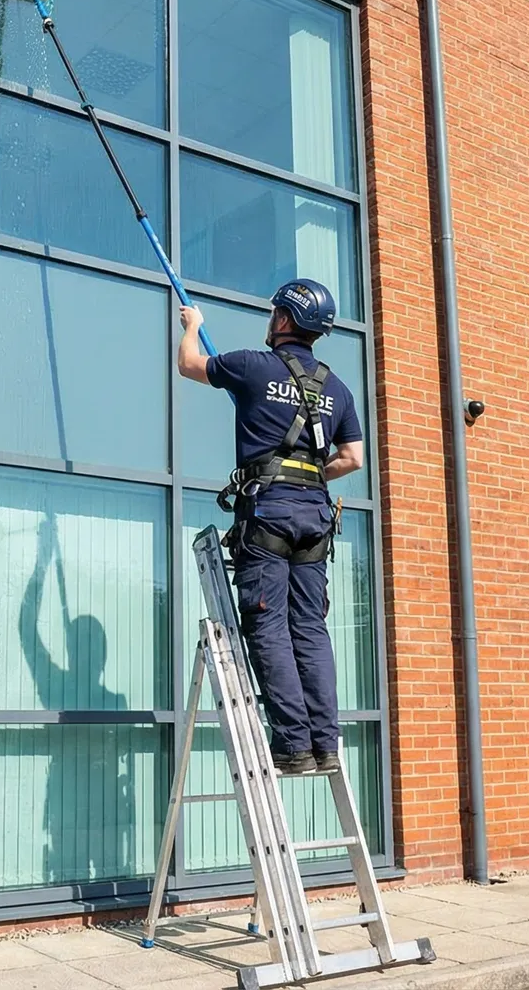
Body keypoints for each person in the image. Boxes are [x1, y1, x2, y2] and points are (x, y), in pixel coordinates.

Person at [176, 279, 365, 775]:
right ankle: (325, 744)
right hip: (315, 517)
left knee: (269, 625)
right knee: (310, 628)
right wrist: (307, 473)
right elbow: (353, 457)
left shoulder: (252, 366)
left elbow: (189, 364)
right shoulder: (337, 389)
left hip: (270, 514)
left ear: (283, 318)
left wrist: (193, 325)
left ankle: (294, 746)